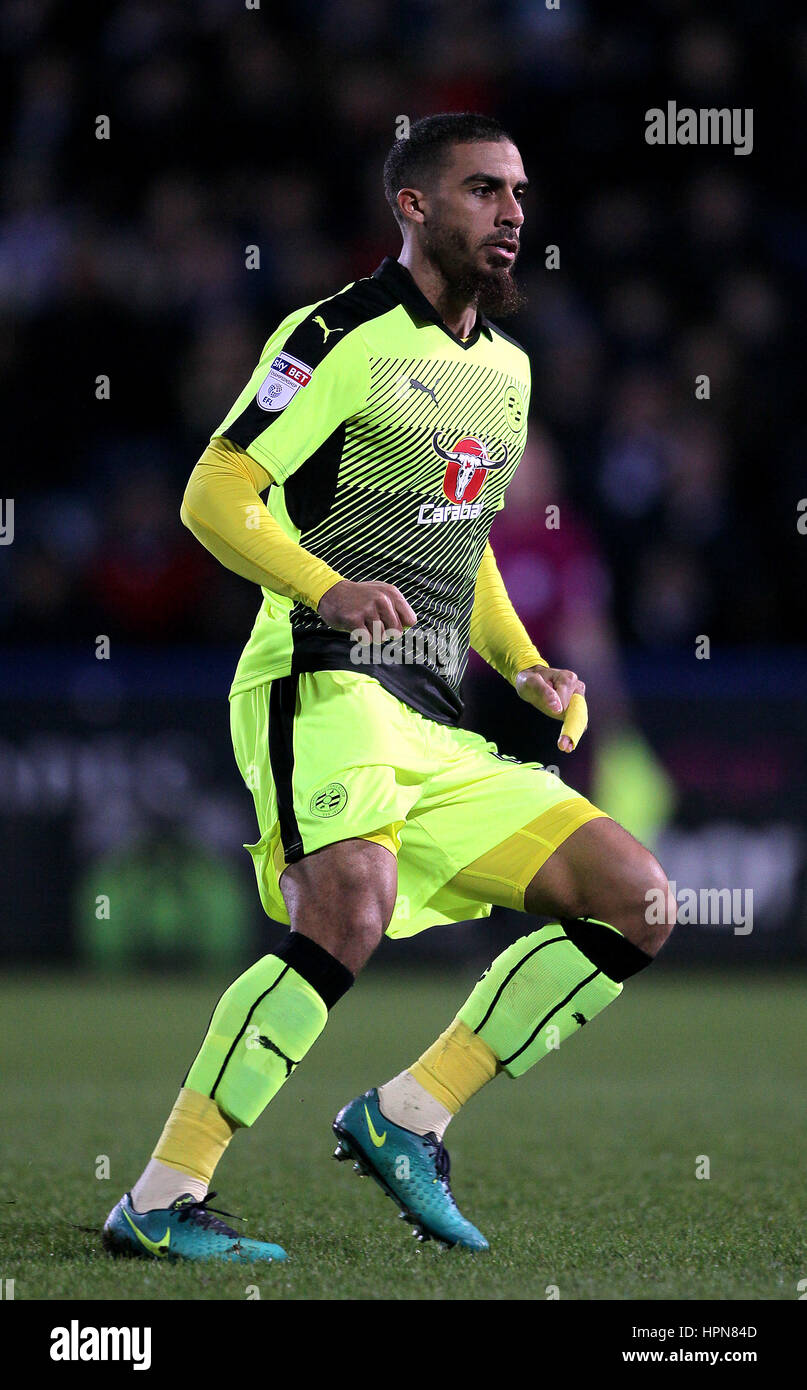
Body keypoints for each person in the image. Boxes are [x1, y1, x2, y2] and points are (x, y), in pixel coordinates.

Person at [103, 113, 676, 1263]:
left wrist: (520, 659)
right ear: (413, 207)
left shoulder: (506, 373)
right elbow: (215, 493)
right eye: (481, 190)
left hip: (433, 707)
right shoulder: (339, 335)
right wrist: (327, 588)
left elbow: (468, 548)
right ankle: (159, 1198)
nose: (511, 212)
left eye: (519, 191)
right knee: (347, 909)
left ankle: (409, 1112)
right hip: (320, 677)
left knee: (639, 900)